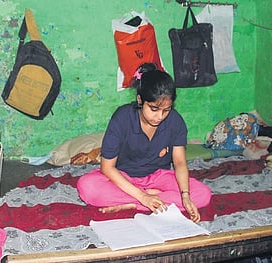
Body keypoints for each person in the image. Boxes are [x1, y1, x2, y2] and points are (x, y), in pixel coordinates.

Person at [77, 63, 211, 222]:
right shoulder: (122, 118)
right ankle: (149, 199)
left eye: (166, 110)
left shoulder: (175, 121)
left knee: (202, 195)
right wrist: (143, 196)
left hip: (158, 177)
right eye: (154, 109)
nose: (160, 116)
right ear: (140, 100)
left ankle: (132, 204)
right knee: (87, 186)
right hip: (124, 176)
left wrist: (186, 196)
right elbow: (107, 168)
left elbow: (180, 163)